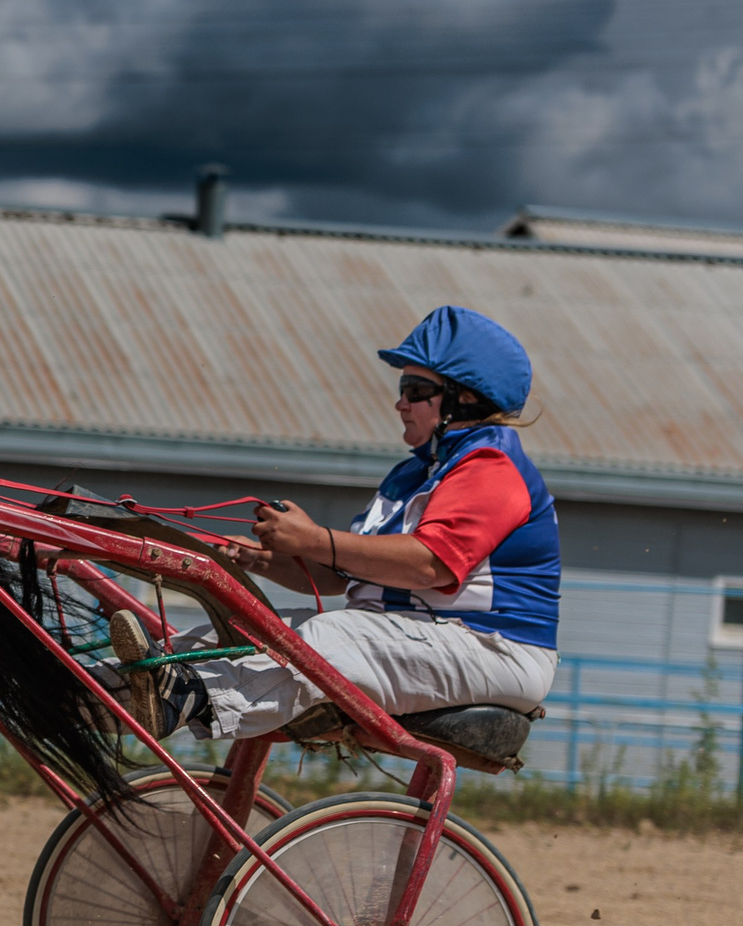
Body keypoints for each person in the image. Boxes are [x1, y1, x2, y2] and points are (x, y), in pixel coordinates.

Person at [114, 305, 560, 743]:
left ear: (466, 398)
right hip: (416, 636)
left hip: (496, 650)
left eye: (415, 389)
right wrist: (262, 559)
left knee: (331, 636)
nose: (399, 402)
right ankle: (97, 697)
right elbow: (337, 576)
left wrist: (312, 539)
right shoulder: (413, 474)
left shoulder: (492, 467)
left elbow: (428, 566)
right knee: (251, 627)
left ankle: (184, 695)